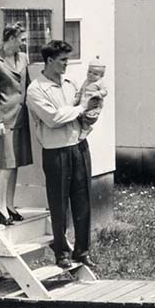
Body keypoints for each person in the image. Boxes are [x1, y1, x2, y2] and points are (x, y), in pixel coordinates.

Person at [26, 39, 98, 269]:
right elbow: (53, 119)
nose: (67, 64)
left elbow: (77, 113)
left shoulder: (70, 83)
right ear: (49, 61)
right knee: (58, 202)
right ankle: (62, 252)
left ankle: (82, 251)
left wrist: (89, 114)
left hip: (79, 146)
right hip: (56, 151)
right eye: (63, 60)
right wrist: (80, 109)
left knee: (83, 200)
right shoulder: (36, 89)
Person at [0, 23, 33, 225]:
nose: (24, 43)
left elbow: (27, 86)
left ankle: (10, 206)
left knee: (15, 164)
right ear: (11, 38)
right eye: (21, 39)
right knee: (5, 164)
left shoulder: (23, 58)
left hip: (21, 117)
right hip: (4, 120)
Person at [77, 57, 108, 140]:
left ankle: (85, 130)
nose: (91, 74)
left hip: (94, 102)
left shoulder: (100, 82)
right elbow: (82, 89)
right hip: (84, 100)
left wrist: (97, 93)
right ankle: (84, 128)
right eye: (89, 72)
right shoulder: (86, 81)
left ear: (101, 76)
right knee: (80, 115)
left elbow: (105, 91)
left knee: (89, 117)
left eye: (95, 74)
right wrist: (78, 95)